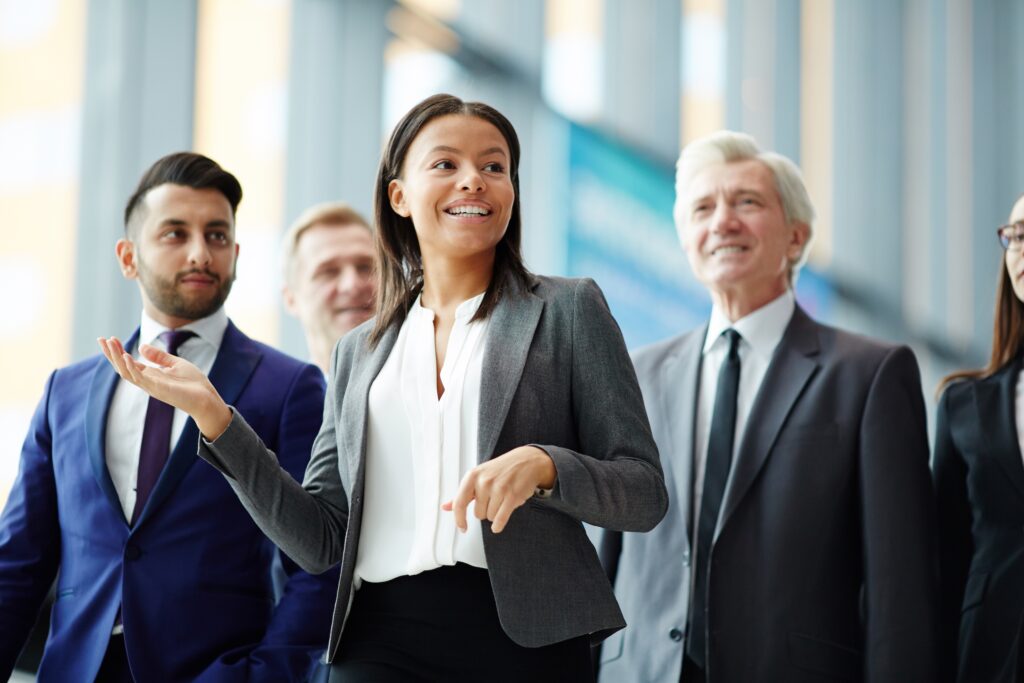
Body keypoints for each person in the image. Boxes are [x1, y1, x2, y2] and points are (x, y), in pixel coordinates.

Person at [98, 94, 668, 682]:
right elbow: (320, 539)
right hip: (380, 640)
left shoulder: (568, 310)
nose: (474, 180)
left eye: (494, 167)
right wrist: (216, 417)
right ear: (399, 196)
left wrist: (546, 466)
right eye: (446, 164)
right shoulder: (359, 351)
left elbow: (645, 491)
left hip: (527, 639)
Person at [598, 131, 939, 682]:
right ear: (686, 238)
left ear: (796, 237)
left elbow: (900, 586)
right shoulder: (637, 373)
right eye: (703, 208)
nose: (723, 222)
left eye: (747, 202)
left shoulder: (870, 374)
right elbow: (605, 558)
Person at [0, 152, 336, 682]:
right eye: (175, 234)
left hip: (214, 671)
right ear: (128, 256)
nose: (201, 252)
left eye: (218, 235)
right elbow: (18, 560)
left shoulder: (290, 386)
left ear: (237, 253)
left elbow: (317, 564)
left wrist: (265, 675)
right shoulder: (65, 391)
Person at [934, 193, 1024, 683]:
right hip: (988, 653)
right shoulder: (962, 404)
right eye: (1016, 235)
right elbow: (945, 561)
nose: (1022, 248)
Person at [281, 202, 376, 373]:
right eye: (329, 272)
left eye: (365, 267)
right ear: (291, 299)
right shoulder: (274, 398)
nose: (352, 285)